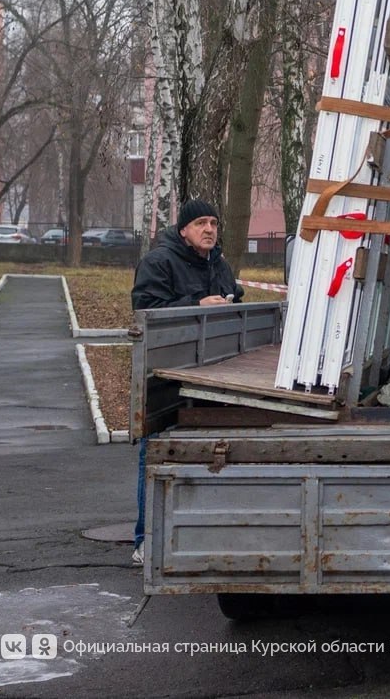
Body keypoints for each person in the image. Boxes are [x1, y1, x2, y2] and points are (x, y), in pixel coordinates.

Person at [129, 200, 244, 565]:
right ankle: (145, 539)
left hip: (212, 373)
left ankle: (195, 533)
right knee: (156, 454)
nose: (209, 229)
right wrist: (197, 304)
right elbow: (145, 310)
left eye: (213, 222)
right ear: (183, 230)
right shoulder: (159, 262)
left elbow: (234, 299)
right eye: (200, 223)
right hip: (165, 376)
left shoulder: (218, 264)